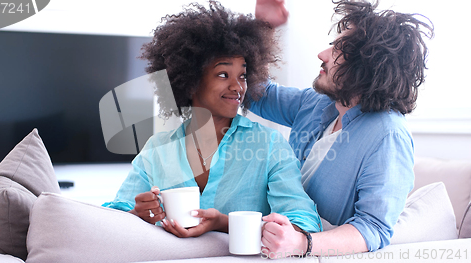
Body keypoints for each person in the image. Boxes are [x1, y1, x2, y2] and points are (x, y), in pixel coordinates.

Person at [103, 1, 321, 239]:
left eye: (243, 76)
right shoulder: (157, 150)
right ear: (191, 80)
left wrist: (224, 223)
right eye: (223, 74)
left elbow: (304, 223)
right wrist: (138, 212)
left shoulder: (268, 145)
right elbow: (112, 217)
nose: (237, 86)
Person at [252, 0, 434, 257]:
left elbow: (373, 228)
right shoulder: (318, 103)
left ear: (367, 68)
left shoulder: (389, 135)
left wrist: (301, 243)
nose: (322, 55)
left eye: (337, 51)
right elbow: (260, 94)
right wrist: (264, 24)